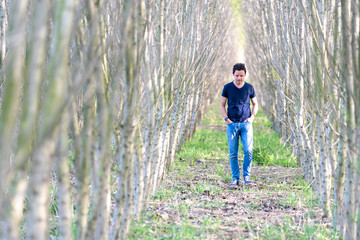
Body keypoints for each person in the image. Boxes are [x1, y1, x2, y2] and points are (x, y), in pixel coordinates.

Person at [220, 63, 258, 187]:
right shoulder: (227, 87)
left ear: (245, 75)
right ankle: (235, 179)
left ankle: (247, 177)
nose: (239, 78)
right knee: (233, 153)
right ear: (233, 74)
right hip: (232, 124)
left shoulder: (249, 88)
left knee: (248, 151)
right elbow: (222, 105)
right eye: (237, 75)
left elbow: (255, 104)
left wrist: (251, 117)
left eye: (241, 76)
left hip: (246, 124)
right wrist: (227, 119)